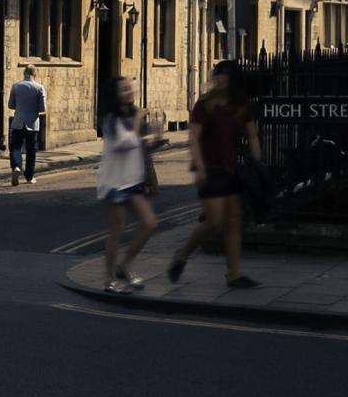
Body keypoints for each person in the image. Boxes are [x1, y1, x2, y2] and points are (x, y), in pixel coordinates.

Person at [169, 60, 261, 289]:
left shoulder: (241, 106)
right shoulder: (205, 105)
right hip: (211, 170)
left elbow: (252, 136)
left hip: (233, 170)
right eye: (218, 74)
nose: (219, 79)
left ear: (234, 80)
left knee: (233, 223)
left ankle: (234, 274)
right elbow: (194, 138)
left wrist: (258, 164)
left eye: (225, 76)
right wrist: (199, 166)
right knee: (214, 221)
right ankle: (182, 255)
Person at [96, 76, 159, 291]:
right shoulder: (111, 119)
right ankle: (109, 278)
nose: (129, 92)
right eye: (123, 89)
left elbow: (137, 147)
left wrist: (155, 142)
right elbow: (124, 142)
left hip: (133, 182)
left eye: (129, 88)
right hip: (114, 184)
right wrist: (137, 121)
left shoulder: (132, 116)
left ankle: (124, 266)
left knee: (150, 224)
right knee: (117, 230)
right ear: (115, 95)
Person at [6, 66, 47, 185]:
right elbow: (42, 108)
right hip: (32, 123)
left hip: (17, 122)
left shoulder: (16, 86)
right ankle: (29, 176)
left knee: (15, 147)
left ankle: (16, 167)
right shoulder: (39, 88)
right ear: (35, 74)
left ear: (24, 73)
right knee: (31, 150)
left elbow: (11, 105)